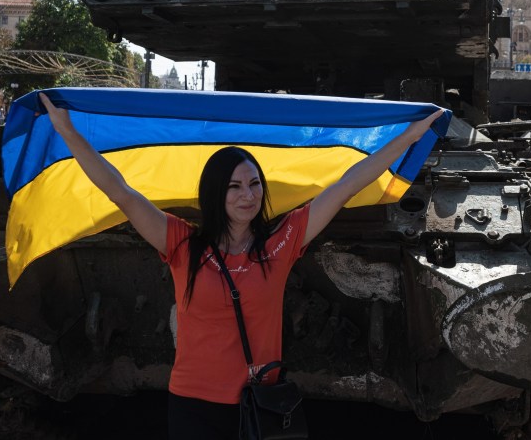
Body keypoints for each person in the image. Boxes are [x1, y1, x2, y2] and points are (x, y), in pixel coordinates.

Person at [37, 92, 443, 439]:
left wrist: (409, 136)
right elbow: (121, 192)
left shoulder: (280, 244)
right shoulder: (183, 244)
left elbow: (345, 187)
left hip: (258, 406)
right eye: (234, 186)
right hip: (192, 407)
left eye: (253, 184)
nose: (247, 195)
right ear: (215, 194)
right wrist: (69, 132)